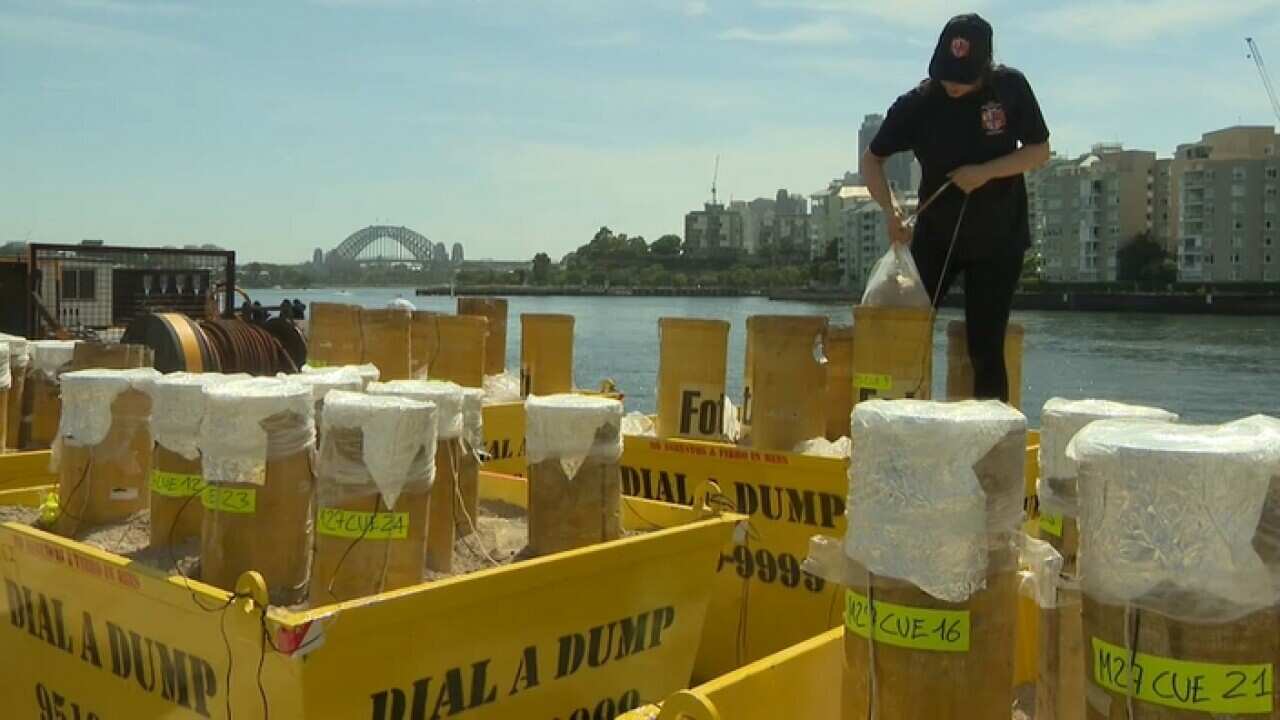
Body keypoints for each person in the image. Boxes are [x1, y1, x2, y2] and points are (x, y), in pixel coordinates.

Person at [862, 13, 1050, 402]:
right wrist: (890, 209)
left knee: (985, 344)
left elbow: (1038, 151)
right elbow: (872, 159)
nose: (952, 86)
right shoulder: (918, 103)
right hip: (935, 235)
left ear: (985, 67)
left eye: (962, 79)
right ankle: (897, 416)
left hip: (999, 239)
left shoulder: (1010, 88)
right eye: (945, 75)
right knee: (903, 328)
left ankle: (991, 442)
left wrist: (985, 172)